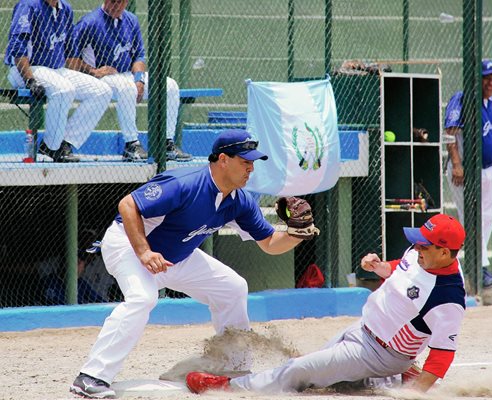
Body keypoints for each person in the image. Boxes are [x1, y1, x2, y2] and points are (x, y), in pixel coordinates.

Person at [70, 129, 317, 398]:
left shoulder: (240, 201)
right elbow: (128, 205)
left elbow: (269, 243)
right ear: (223, 159)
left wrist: (295, 234)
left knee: (233, 287)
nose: (251, 168)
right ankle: (91, 376)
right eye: (245, 161)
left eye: (253, 163)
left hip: (176, 257)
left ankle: (235, 368)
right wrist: (143, 252)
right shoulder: (185, 183)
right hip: (128, 246)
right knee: (142, 298)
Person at [185, 213, 467, 396]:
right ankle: (393, 379)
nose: (416, 247)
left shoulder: (448, 298)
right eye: (417, 242)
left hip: (380, 355)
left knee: (299, 370)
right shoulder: (421, 255)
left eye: (424, 245)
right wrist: (380, 266)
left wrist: (415, 393)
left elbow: (442, 355)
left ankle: (226, 387)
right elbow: (401, 269)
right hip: (361, 329)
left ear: (444, 252)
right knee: (321, 379)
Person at [66, 0, 190, 162]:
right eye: (114, 1)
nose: (117, 6)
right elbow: (69, 58)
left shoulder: (131, 20)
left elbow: (139, 56)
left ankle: (166, 143)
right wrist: (93, 71)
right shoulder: (89, 22)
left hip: (128, 75)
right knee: (127, 87)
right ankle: (132, 144)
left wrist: (139, 79)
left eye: (122, 2)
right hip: (102, 78)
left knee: (170, 86)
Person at [4, 0, 112, 163]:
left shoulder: (65, 9)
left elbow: (69, 51)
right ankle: (51, 148)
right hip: (27, 69)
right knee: (64, 89)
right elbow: (18, 47)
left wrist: (91, 72)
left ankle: (64, 143)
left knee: (102, 90)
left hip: (55, 70)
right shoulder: (29, 5)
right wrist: (30, 80)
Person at [444, 59, 492, 288]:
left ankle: (478, 267)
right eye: (487, 78)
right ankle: (474, 269)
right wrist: (457, 163)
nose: (491, 83)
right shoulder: (462, 99)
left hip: (489, 169)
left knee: (486, 218)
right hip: (465, 172)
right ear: (477, 78)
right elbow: (450, 133)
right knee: (471, 219)